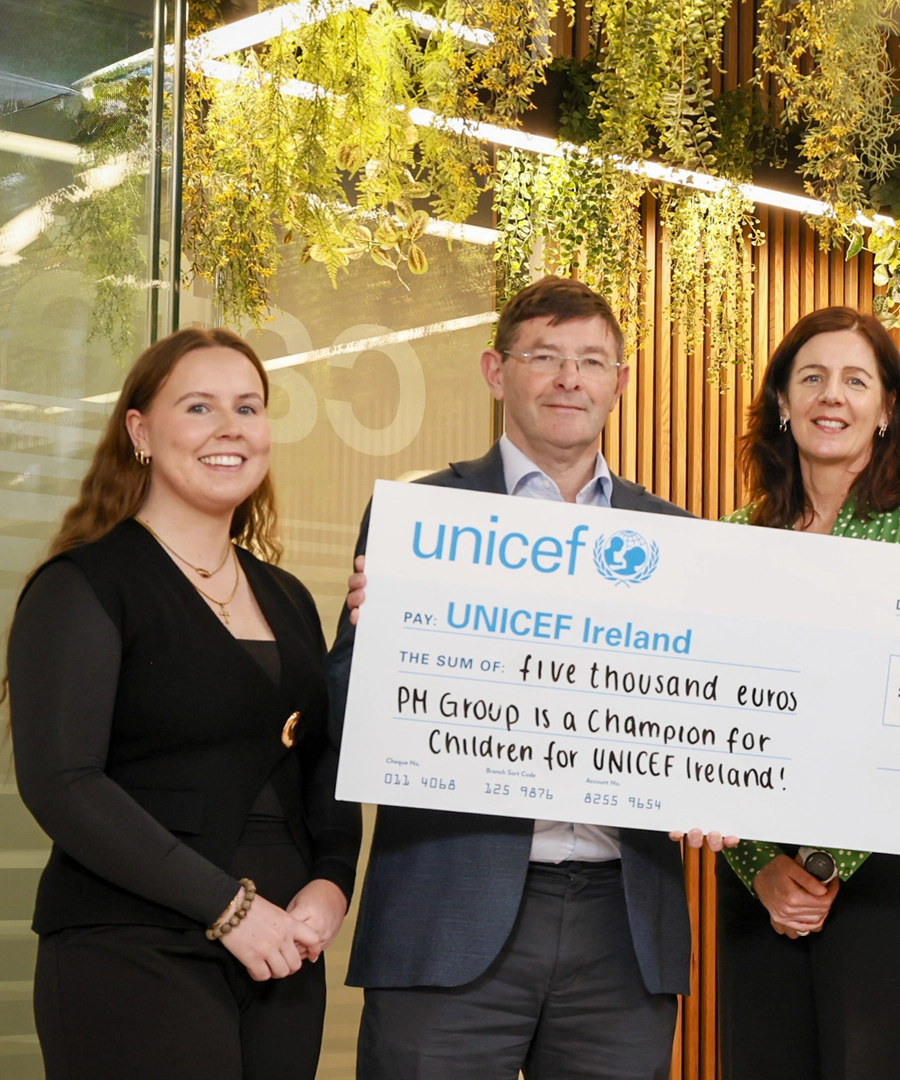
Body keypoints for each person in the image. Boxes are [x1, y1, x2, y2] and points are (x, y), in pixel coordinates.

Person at [328, 276, 721, 1080]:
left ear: (620, 381)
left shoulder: (677, 539)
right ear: (495, 371)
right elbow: (343, 717)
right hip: (448, 913)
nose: (569, 379)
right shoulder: (425, 518)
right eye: (544, 356)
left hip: (622, 930)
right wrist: (377, 648)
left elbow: (705, 714)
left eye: (591, 361)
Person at [10, 328, 359, 1079]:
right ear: (140, 431)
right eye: (199, 407)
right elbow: (63, 784)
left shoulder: (288, 597)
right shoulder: (84, 586)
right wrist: (229, 908)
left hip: (282, 957)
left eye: (248, 408)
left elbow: (325, 765)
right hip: (131, 946)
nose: (230, 428)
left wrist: (333, 882)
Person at [718, 305, 900, 1080]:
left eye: (856, 381)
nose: (833, 396)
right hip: (758, 881)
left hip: (883, 874)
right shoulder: (732, 539)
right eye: (813, 378)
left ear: (887, 407)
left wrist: (823, 867)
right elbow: (711, 719)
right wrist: (762, 868)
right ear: (782, 402)